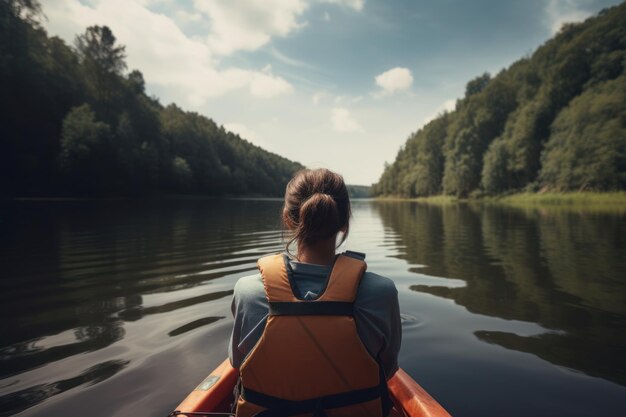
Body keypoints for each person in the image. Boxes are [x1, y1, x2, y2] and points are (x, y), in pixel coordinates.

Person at [229, 168, 402, 417]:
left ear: (288, 219)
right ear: (344, 222)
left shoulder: (247, 292)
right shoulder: (382, 293)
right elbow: (387, 371)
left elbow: (237, 364)